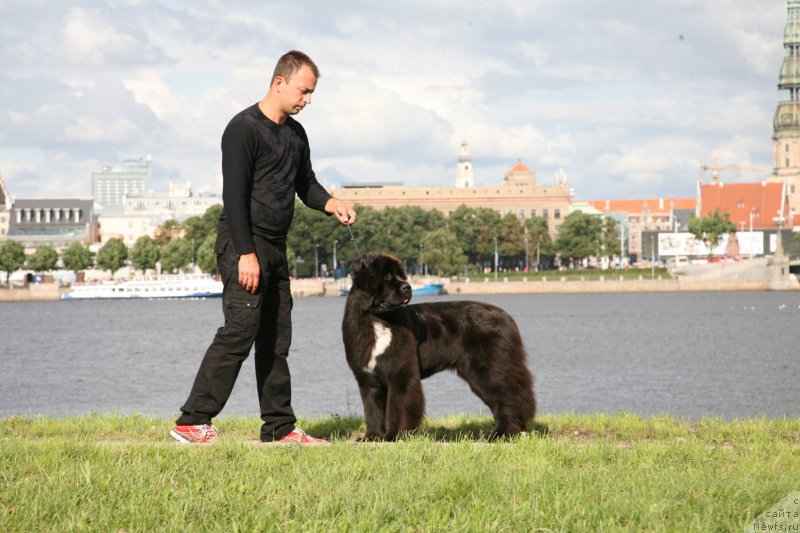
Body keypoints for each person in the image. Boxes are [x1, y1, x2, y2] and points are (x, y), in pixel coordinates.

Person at [171, 50, 357, 445]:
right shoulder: (243, 129)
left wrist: (332, 203)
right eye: (304, 91)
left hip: (275, 246)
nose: (308, 100)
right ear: (279, 82)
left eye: (312, 93)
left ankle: (279, 427)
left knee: (276, 337)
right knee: (240, 331)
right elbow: (234, 197)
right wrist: (246, 254)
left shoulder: (296, 134)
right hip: (243, 243)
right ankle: (192, 421)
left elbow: (306, 185)